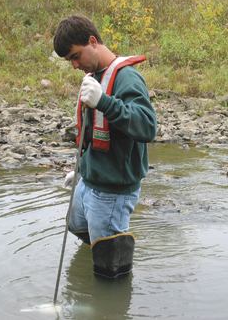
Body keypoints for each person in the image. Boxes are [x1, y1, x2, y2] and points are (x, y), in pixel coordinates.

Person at [53, 14, 157, 278]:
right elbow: (93, 134)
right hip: (90, 180)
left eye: (76, 56)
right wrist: (81, 169)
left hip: (112, 191)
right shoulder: (94, 75)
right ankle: (96, 265)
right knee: (76, 224)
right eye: (70, 61)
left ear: (92, 41)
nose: (75, 65)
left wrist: (105, 102)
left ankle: (110, 303)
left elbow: (147, 127)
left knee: (110, 267)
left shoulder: (127, 79)